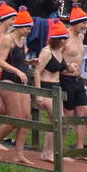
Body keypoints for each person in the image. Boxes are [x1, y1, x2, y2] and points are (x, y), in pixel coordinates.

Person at [0, 7, 34, 156]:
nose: (29, 31)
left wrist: (29, 62)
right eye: (28, 27)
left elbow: (18, 60)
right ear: (21, 26)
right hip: (9, 80)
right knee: (15, 118)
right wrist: (17, 71)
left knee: (26, 118)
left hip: (22, 81)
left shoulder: (22, 39)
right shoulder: (8, 39)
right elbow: (1, 61)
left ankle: (19, 153)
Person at [34, 20, 69, 162]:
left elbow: (61, 67)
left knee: (57, 121)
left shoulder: (59, 51)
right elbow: (37, 71)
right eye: (64, 38)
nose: (66, 41)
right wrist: (38, 94)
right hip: (47, 88)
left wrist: (70, 67)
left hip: (57, 88)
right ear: (57, 39)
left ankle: (50, 151)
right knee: (57, 120)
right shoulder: (47, 52)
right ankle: (48, 152)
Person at [61, 6, 87, 151]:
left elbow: (78, 57)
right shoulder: (64, 36)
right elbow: (53, 56)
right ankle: (59, 149)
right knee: (67, 114)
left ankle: (79, 149)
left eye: (86, 23)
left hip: (78, 80)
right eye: (83, 23)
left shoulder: (81, 36)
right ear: (75, 22)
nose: (85, 26)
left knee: (84, 112)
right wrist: (66, 66)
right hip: (65, 80)